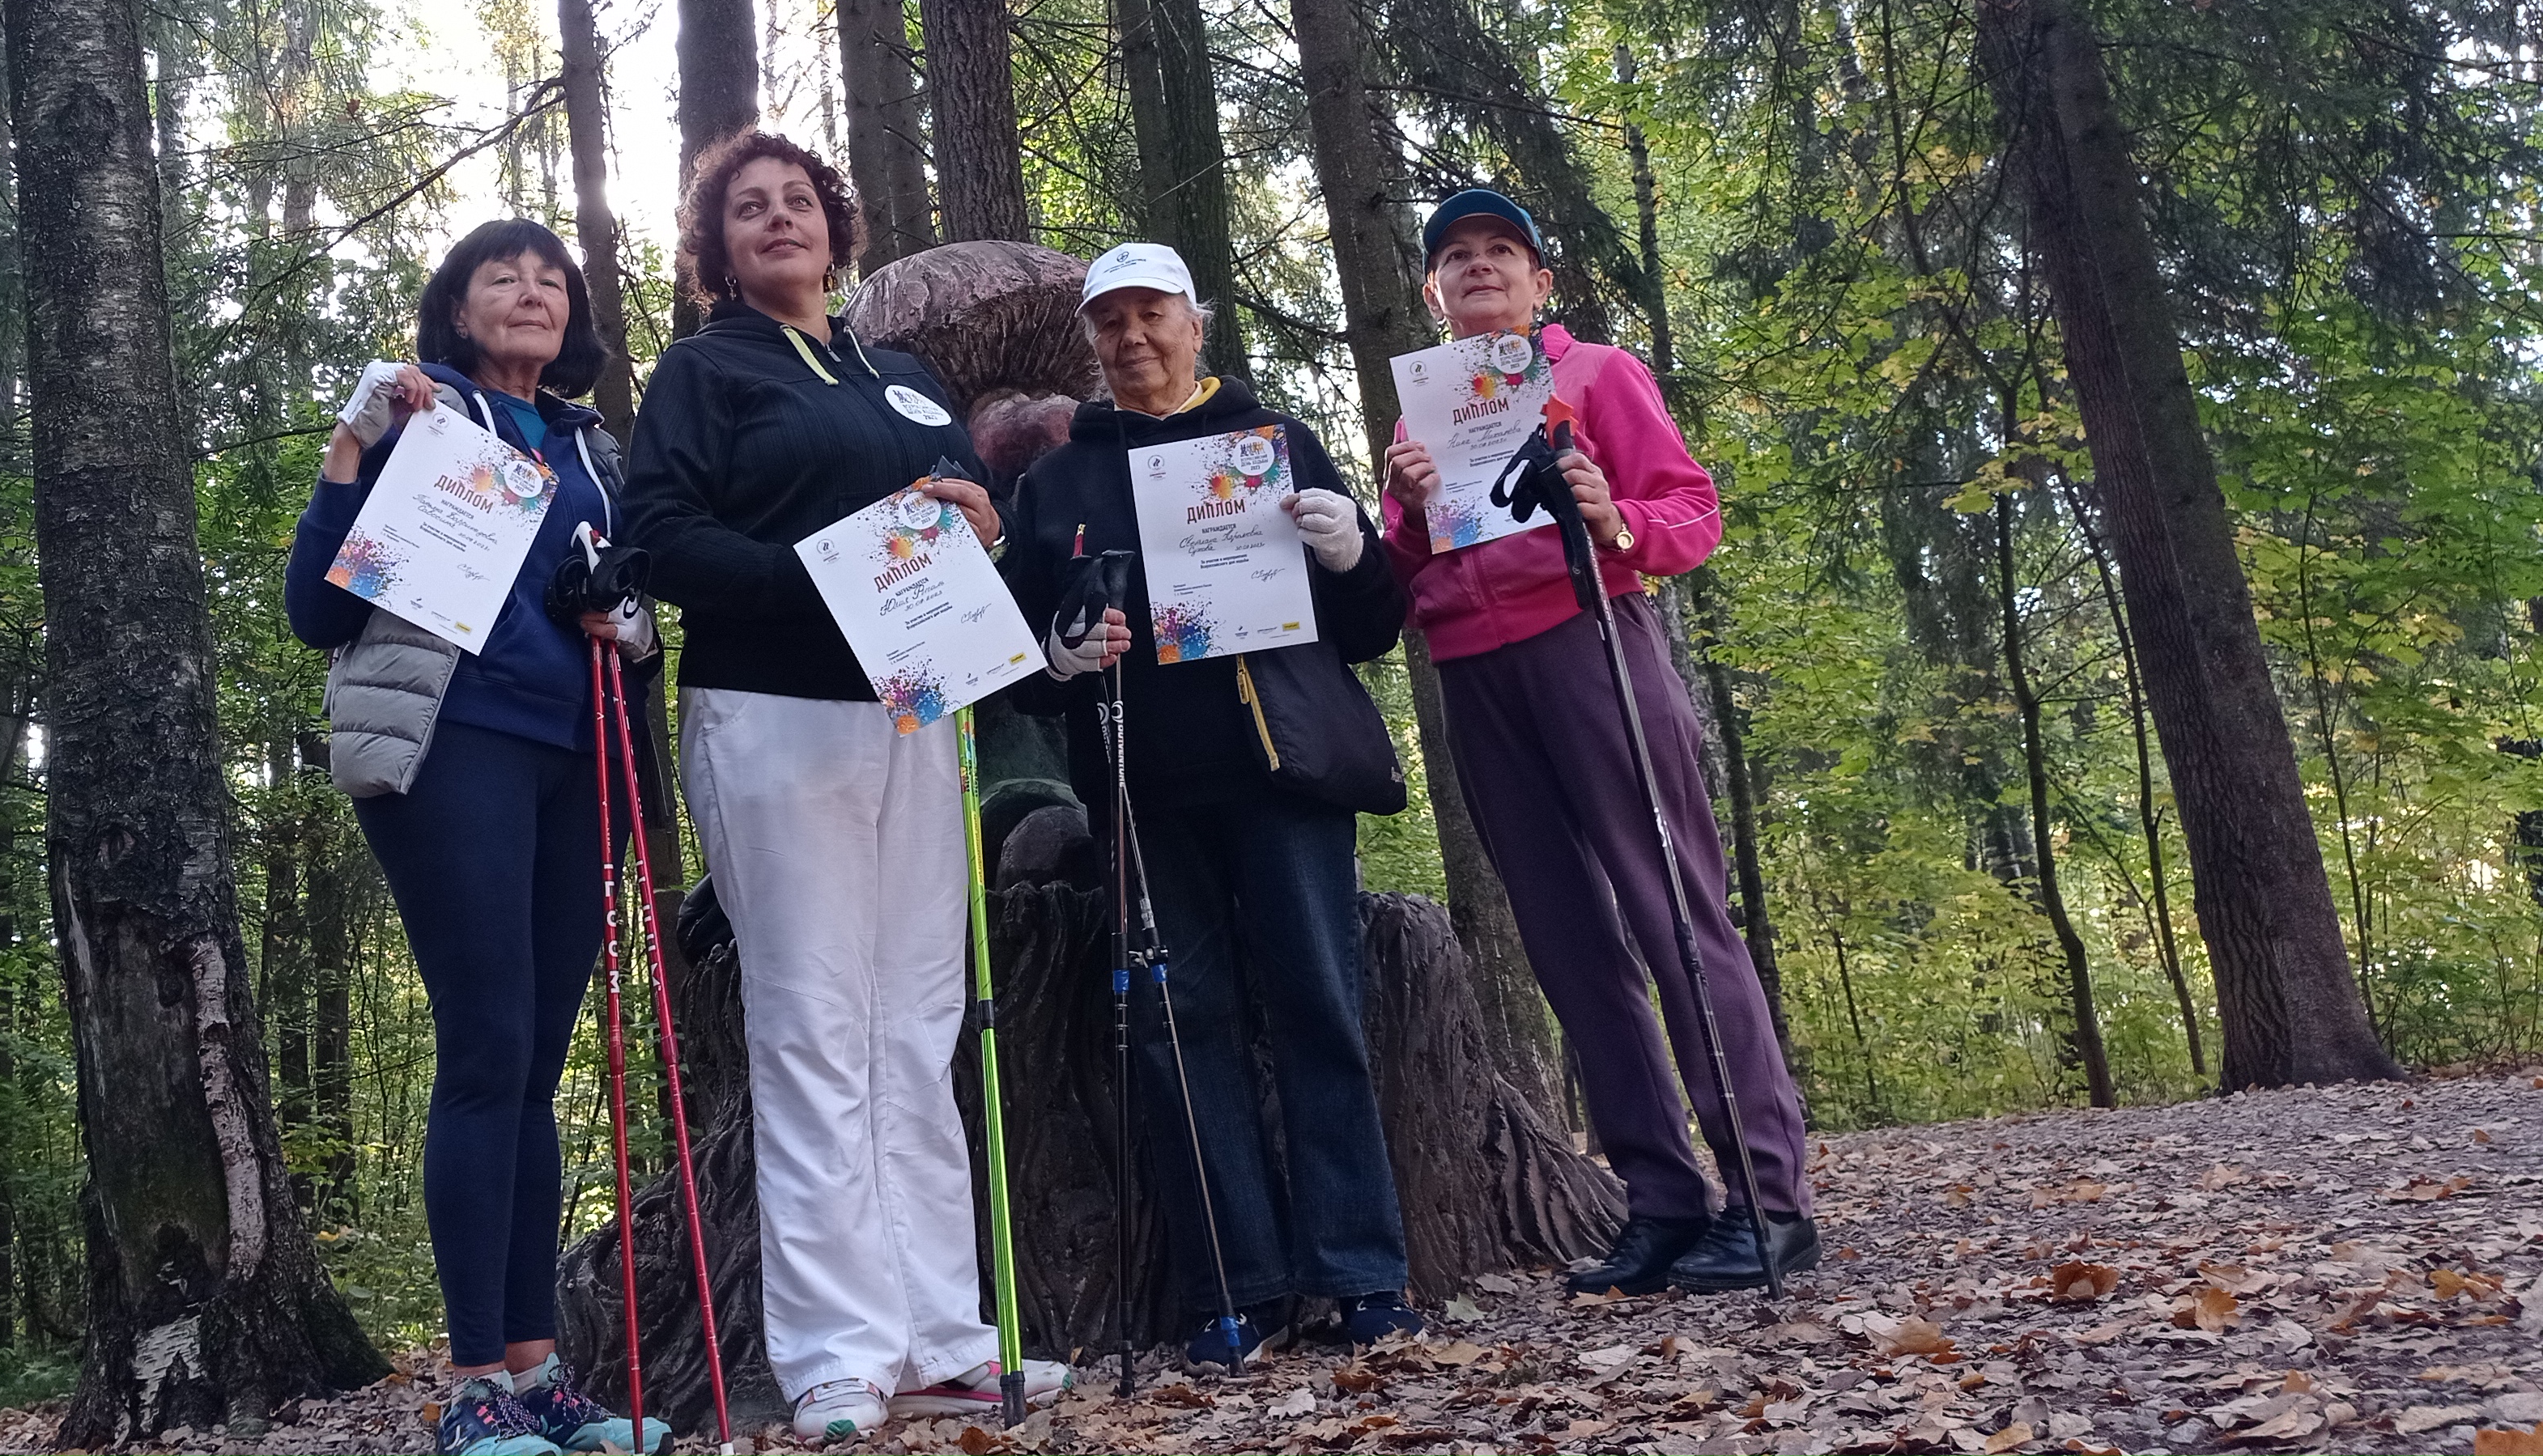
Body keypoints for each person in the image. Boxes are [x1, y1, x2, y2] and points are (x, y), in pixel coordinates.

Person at [623, 130, 1065, 1445]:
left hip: (916, 708)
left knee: (920, 1021)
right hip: (771, 712)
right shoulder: (703, 372)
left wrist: (982, 516)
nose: (777, 220)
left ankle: (943, 1336)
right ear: (715, 246)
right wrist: (811, 575)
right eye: (746, 208)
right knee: (814, 1025)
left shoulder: (906, 377)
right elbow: (659, 536)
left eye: (797, 200)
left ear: (836, 224)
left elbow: (973, 507)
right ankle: (833, 1354)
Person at [1378, 189, 1818, 1296]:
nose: (1479, 268)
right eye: (1457, 257)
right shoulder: (1419, 412)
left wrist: (1611, 512)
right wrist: (1407, 511)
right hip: (1474, 675)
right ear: (1433, 291)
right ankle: (1661, 1199)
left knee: (1672, 908)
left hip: (1592, 639)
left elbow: (1691, 511)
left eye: (1501, 252)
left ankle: (1770, 1200)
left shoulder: (1598, 373)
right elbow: (1403, 578)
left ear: (1541, 281)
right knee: (1569, 941)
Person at [997, 242, 1429, 1367]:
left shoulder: (1273, 442)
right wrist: (1063, 648)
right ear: (1090, 340)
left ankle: (1361, 1266)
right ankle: (1233, 1285)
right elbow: (1015, 656)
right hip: (1137, 792)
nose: (1131, 337)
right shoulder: (1054, 484)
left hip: (1280, 771)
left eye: (1152, 314)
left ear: (1196, 323)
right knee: (1178, 1028)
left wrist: (1349, 548)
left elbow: (1375, 623)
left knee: (1320, 1005)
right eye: (1110, 321)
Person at [283, 219, 668, 1456]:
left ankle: (540, 1373)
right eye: (501, 276)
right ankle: (471, 1390)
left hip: (583, 761)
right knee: (488, 1045)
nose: (532, 292)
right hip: (455, 749)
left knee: (537, 1061)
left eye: (552, 279)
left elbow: (636, 618)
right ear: (456, 310)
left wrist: (632, 625)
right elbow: (316, 609)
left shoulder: (592, 449)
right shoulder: (419, 418)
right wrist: (353, 443)